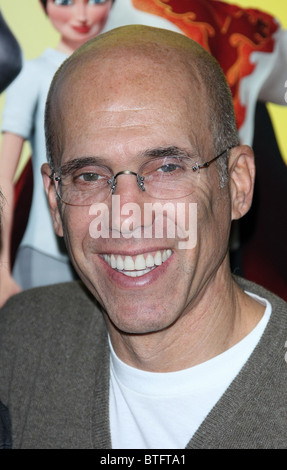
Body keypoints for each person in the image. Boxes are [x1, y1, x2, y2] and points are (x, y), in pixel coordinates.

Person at [0, 25, 286, 449]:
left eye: (167, 167)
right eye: (90, 176)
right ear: (55, 199)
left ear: (238, 183)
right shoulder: (20, 341)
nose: (126, 217)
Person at [0, 0, 114, 307]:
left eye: (96, 1)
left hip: (112, 246)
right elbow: (2, 178)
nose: (81, 15)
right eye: (65, 1)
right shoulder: (34, 75)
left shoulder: (120, 74)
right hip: (45, 252)